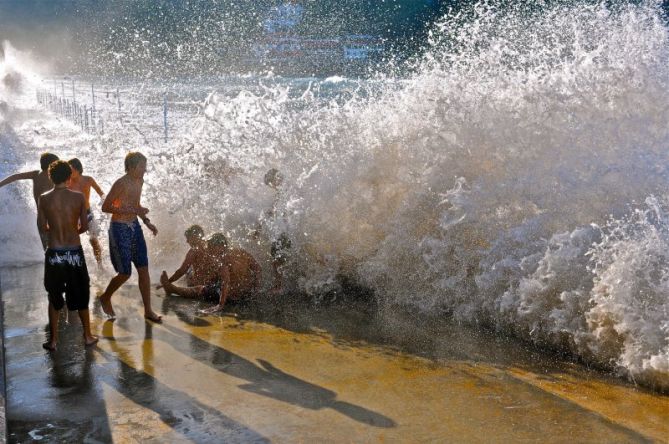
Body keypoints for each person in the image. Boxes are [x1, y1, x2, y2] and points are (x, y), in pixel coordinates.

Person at [37, 160, 98, 350]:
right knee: (80, 293)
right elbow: (85, 226)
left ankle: (53, 341)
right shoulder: (79, 197)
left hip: (54, 252)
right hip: (73, 252)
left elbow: (42, 227)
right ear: (69, 177)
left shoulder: (44, 198)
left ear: (50, 177)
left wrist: (56, 229)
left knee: (54, 295)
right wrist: (71, 230)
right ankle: (87, 336)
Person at [98, 152, 162, 322]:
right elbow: (105, 207)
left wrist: (147, 222)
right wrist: (130, 210)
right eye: (142, 166)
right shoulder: (121, 183)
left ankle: (148, 310)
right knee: (125, 273)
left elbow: (136, 206)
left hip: (135, 227)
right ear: (132, 167)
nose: (145, 170)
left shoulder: (139, 181)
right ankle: (105, 297)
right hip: (119, 229)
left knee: (143, 268)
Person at [159, 233, 261, 313]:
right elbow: (258, 269)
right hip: (247, 294)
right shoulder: (241, 252)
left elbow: (226, 281)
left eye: (212, 246)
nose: (210, 250)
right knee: (212, 280)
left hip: (232, 297)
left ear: (221, 246)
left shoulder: (222, 258)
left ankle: (172, 289)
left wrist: (220, 305)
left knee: (199, 289)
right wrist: (255, 290)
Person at [0, 152, 59, 249]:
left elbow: (15, 176)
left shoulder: (35, 174)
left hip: (40, 218)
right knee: (58, 245)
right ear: (51, 166)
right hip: (54, 216)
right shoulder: (53, 177)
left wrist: (0, 184)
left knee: (46, 247)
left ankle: (50, 261)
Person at [67, 158, 106, 265]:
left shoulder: (88, 179)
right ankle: (74, 264)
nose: (69, 172)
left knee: (93, 240)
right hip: (73, 215)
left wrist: (108, 204)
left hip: (87, 213)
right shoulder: (67, 182)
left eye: (71, 170)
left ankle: (100, 264)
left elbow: (101, 193)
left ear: (78, 169)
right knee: (72, 241)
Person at [263, 168, 291, 294]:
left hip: (283, 232)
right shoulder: (284, 191)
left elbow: (283, 213)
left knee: (277, 260)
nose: (271, 186)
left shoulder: (283, 192)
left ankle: (279, 287)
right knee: (277, 259)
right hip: (284, 231)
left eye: (270, 182)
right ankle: (280, 285)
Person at [157, 224, 208, 289]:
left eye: (188, 238)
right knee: (190, 270)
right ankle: (179, 282)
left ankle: (170, 286)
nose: (187, 241)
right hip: (211, 282)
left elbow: (182, 271)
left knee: (188, 271)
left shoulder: (193, 251)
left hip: (198, 284)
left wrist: (168, 282)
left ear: (194, 237)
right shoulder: (210, 246)